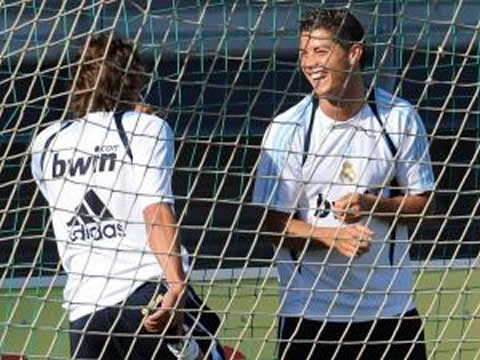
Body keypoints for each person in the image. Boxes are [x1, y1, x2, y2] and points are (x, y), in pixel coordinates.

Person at [252, 8, 435, 360]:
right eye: (304, 53)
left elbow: (424, 204)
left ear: (354, 53)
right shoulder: (287, 129)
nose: (310, 63)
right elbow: (271, 224)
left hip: (390, 312)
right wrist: (331, 236)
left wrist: (372, 205)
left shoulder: (398, 117)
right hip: (309, 316)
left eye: (321, 51)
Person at [31, 35, 225, 360]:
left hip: (86, 317)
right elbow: (155, 211)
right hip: (147, 297)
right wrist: (176, 285)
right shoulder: (147, 128)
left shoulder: (46, 142)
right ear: (135, 80)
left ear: (77, 81)